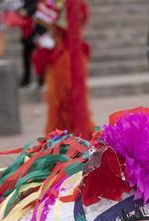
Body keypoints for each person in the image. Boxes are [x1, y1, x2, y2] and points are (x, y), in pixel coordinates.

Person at [34, 0, 93, 135]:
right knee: (59, 101)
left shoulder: (74, 4)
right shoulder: (51, 3)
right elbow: (41, 24)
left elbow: (81, 18)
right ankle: (61, 134)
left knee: (72, 97)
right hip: (59, 56)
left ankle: (74, 133)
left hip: (70, 55)